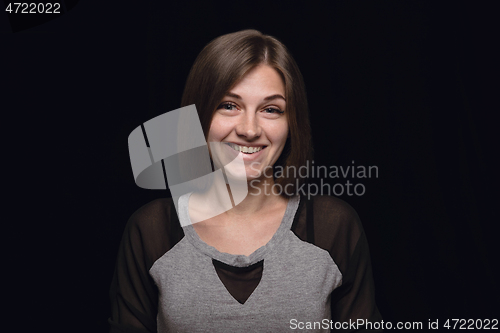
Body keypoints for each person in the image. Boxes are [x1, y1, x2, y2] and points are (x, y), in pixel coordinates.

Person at [109, 29, 382, 332]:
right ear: (197, 115)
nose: (249, 129)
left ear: (292, 123)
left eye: (271, 110)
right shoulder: (152, 229)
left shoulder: (334, 227)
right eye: (229, 105)